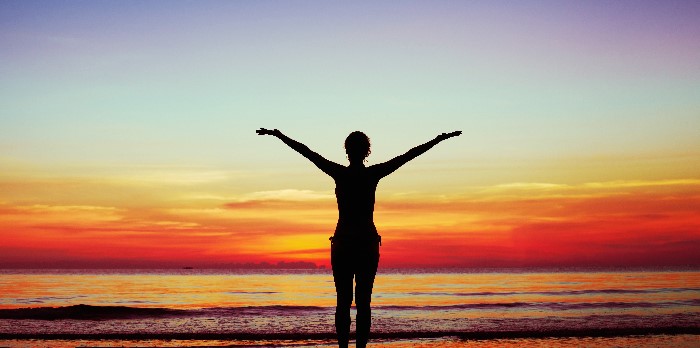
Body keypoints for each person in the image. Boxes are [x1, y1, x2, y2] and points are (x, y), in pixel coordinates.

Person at [256, 128, 461, 347]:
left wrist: (279, 136)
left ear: (347, 151)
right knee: (363, 302)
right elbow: (409, 155)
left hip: (345, 243)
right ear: (367, 151)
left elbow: (308, 153)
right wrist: (439, 139)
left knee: (343, 301)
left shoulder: (341, 173)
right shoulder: (371, 174)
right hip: (365, 243)